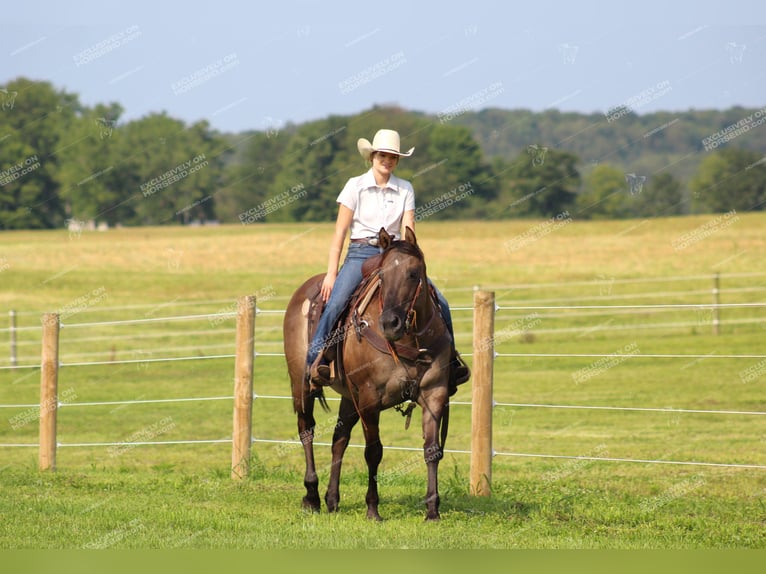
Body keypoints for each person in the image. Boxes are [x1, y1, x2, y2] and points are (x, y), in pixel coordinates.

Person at [306, 128, 469, 393]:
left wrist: (409, 256)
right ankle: (314, 362)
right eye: (382, 155)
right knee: (335, 301)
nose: (388, 160)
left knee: (441, 301)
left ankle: (451, 362)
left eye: (393, 156)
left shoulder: (405, 188)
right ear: (372, 156)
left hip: (395, 255)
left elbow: (409, 228)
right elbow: (340, 232)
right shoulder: (354, 186)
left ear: (397, 160)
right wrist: (331, 273)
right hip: (360, 253)